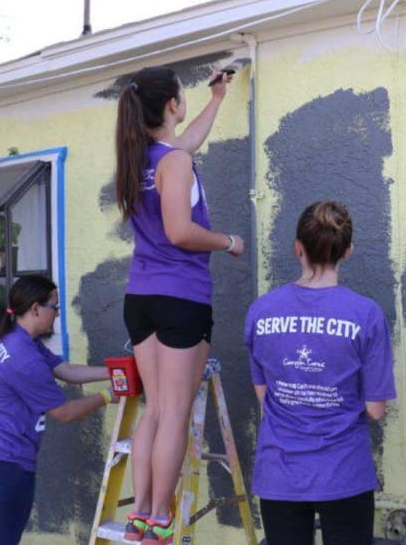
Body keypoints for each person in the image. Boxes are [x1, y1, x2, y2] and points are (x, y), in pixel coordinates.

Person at [115, 65, 244, 544]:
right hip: (179, 297)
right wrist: (228, 241)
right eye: (185, 96)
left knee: (155, 411)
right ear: (171, 104)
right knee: (173, 413)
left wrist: (218, 98)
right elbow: (180, 232)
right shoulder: (174, 164)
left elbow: (185, 144)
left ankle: (142, 517)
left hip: (142, 298)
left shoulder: (143, 158)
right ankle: (161, 520)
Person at [244, 200, 396, 545]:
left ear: (298, 247)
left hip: (279, 473)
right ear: (348, 251)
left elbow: (263, 395)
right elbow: (375, 409)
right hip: (344, 472)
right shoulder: (366, 315)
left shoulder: (261, 311)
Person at [0, 274, 117, 545]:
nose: (57, 314)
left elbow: (65, 370)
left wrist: (115, 372)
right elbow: (62, 412)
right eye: (55, 307)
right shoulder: (24, 357)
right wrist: (108, 396)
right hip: (2, 463)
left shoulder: (16, 339)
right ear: (35, 308)